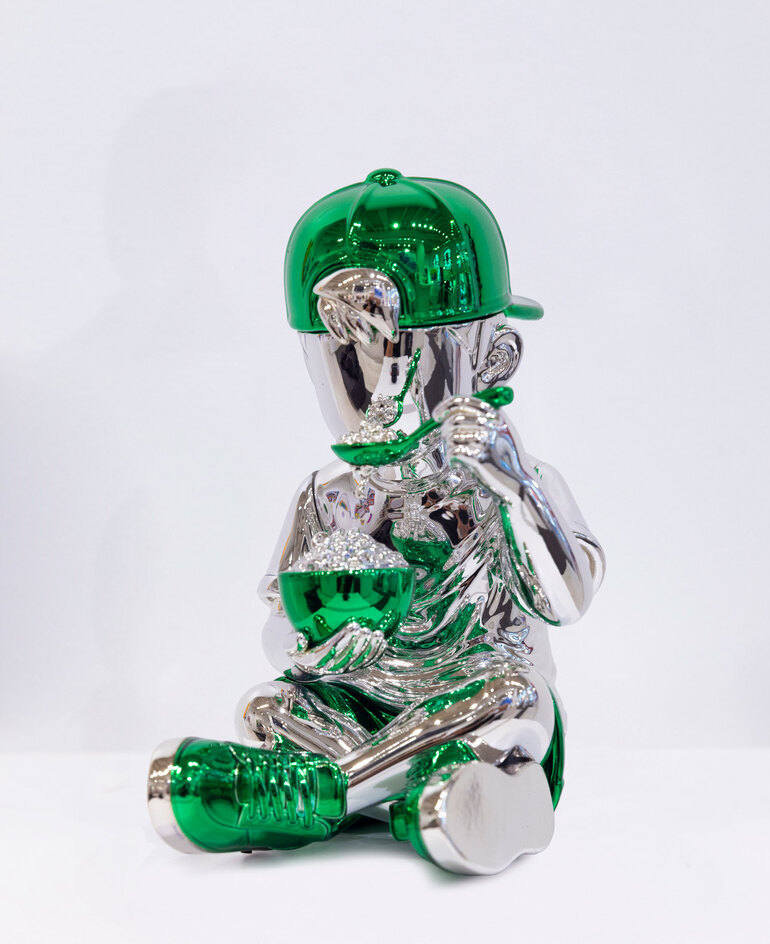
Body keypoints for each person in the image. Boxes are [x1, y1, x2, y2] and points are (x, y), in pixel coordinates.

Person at [147, 168, 605, 875]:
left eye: (402, 363)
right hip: (362, 704)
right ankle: (438, 801)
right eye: (342, 369)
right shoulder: (326, 497)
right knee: (265, 707)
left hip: (475, 703)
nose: (371, 392)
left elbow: (566, 602)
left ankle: (327, 798)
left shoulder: (517, 486)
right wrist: (313, 654)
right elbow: (280, 628)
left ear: (496, 360)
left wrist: (515, 487)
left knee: (516, 701)